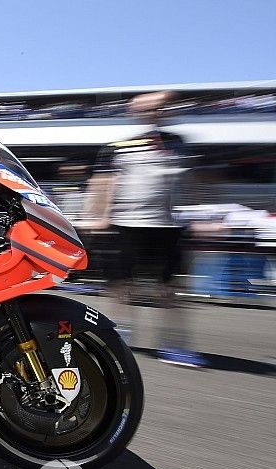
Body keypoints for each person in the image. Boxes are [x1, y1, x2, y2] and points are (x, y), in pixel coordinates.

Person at [87, 90, 207, 368]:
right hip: (128, 224)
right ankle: (121, 336)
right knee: (122, 286)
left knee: (171, 287)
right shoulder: (118, 146)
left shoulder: (179, 144)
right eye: (149, 108)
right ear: (136, 112)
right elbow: (101, 182)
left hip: (169, 225)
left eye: (161, 108)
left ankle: (175, 344)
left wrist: (200, 214)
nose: (156, 112)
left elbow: (194, 181)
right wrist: (97, 216)